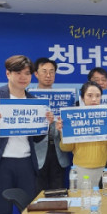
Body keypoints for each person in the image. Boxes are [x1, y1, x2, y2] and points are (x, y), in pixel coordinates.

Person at [0, 55, 53, 214]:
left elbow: (37, 139)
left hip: (26, 162)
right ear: (8, 73)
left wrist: (46, 125)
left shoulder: (34, 101)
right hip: (0, 163)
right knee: (2, 210)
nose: (23, 77)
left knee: (28, 211)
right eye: (18, 73)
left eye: (27, 73)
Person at [56, 81, 107, 188]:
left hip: (104, 168)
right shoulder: (73, 118)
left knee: (105, 198)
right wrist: (63, 132)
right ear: (82, 98)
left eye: (97, 96)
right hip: (81, 169)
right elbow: (66, 148)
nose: (94, 99)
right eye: (89, 96)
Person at [32, 58, 71, 190]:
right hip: (37, 152)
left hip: (59, 151)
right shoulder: (29, 97)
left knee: (58, 192)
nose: (48, 75)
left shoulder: (64, 98)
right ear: (36, 74)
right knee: (38, 193)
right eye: (44, 71)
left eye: (52, 72)